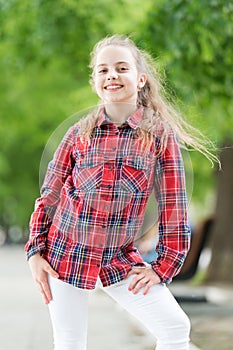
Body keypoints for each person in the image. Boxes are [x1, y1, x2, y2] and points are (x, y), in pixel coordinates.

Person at [25, 34, 218, 350]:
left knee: (174, 327)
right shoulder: (77, 135)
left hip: (118, 259)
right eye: (102, 70)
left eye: (121, 68)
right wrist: (35, 252)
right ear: (94, 82)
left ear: (140, 79)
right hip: (64, 254)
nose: (111, 75)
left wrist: (163, 267)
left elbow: (174, 205)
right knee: (69, 341)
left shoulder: (158, 136)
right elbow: (49, 196)